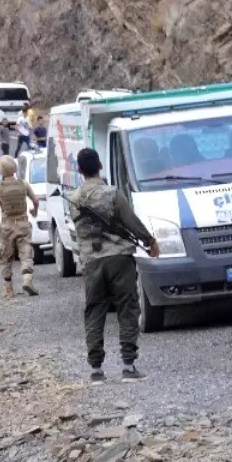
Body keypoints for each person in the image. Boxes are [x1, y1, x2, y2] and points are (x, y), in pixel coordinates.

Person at [70, 147, 159, 382]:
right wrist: (149, 241)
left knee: (94, 311)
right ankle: (129, 365)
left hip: (91, 262)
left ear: (79, 170)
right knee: (127, 308)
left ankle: (96, 369)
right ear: (100, 166)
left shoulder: (74, 199)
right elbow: (131, 222)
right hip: (119, 258)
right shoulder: (113, 194)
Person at [0, 155, 39, 298]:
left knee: (5, 256)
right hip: (23, 223)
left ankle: (8, 290)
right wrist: (34, 211)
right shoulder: (23, 184)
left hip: (7, 226)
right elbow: (35, 200)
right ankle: (27, 280)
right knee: (26, 253)